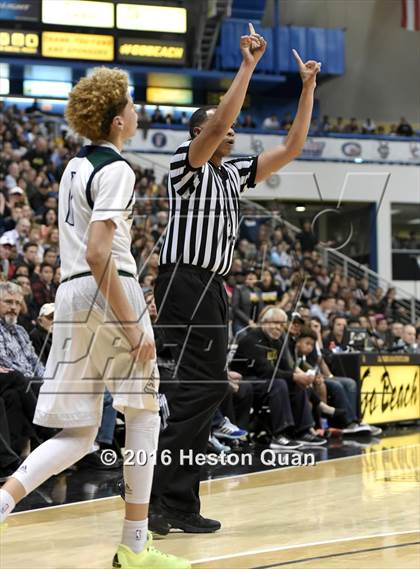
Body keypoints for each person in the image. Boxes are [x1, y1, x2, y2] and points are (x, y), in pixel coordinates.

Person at [0, 68, 189, 569]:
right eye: (130, 104)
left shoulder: (72, 168)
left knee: (80, 434)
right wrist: (131, 323)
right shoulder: (119, 170)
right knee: (144, 414)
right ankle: (134, 545)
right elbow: (101, 251)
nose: (136, 111)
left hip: (71, 293)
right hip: (108, 289)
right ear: (117, 119)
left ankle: (1, 502)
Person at [150, 24, 321, 536]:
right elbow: (218, 120)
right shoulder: (187, 165)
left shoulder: (232, 173)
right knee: (194, 393)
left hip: (213, 289)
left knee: (202, 393)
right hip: (184, 281)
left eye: (232, 130)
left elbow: (291, 147)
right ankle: (164, 499)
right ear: (199, 134)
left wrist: (307, 88)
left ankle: (170, 498)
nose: (230, 132)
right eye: (220, 128)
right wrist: (246, 65)